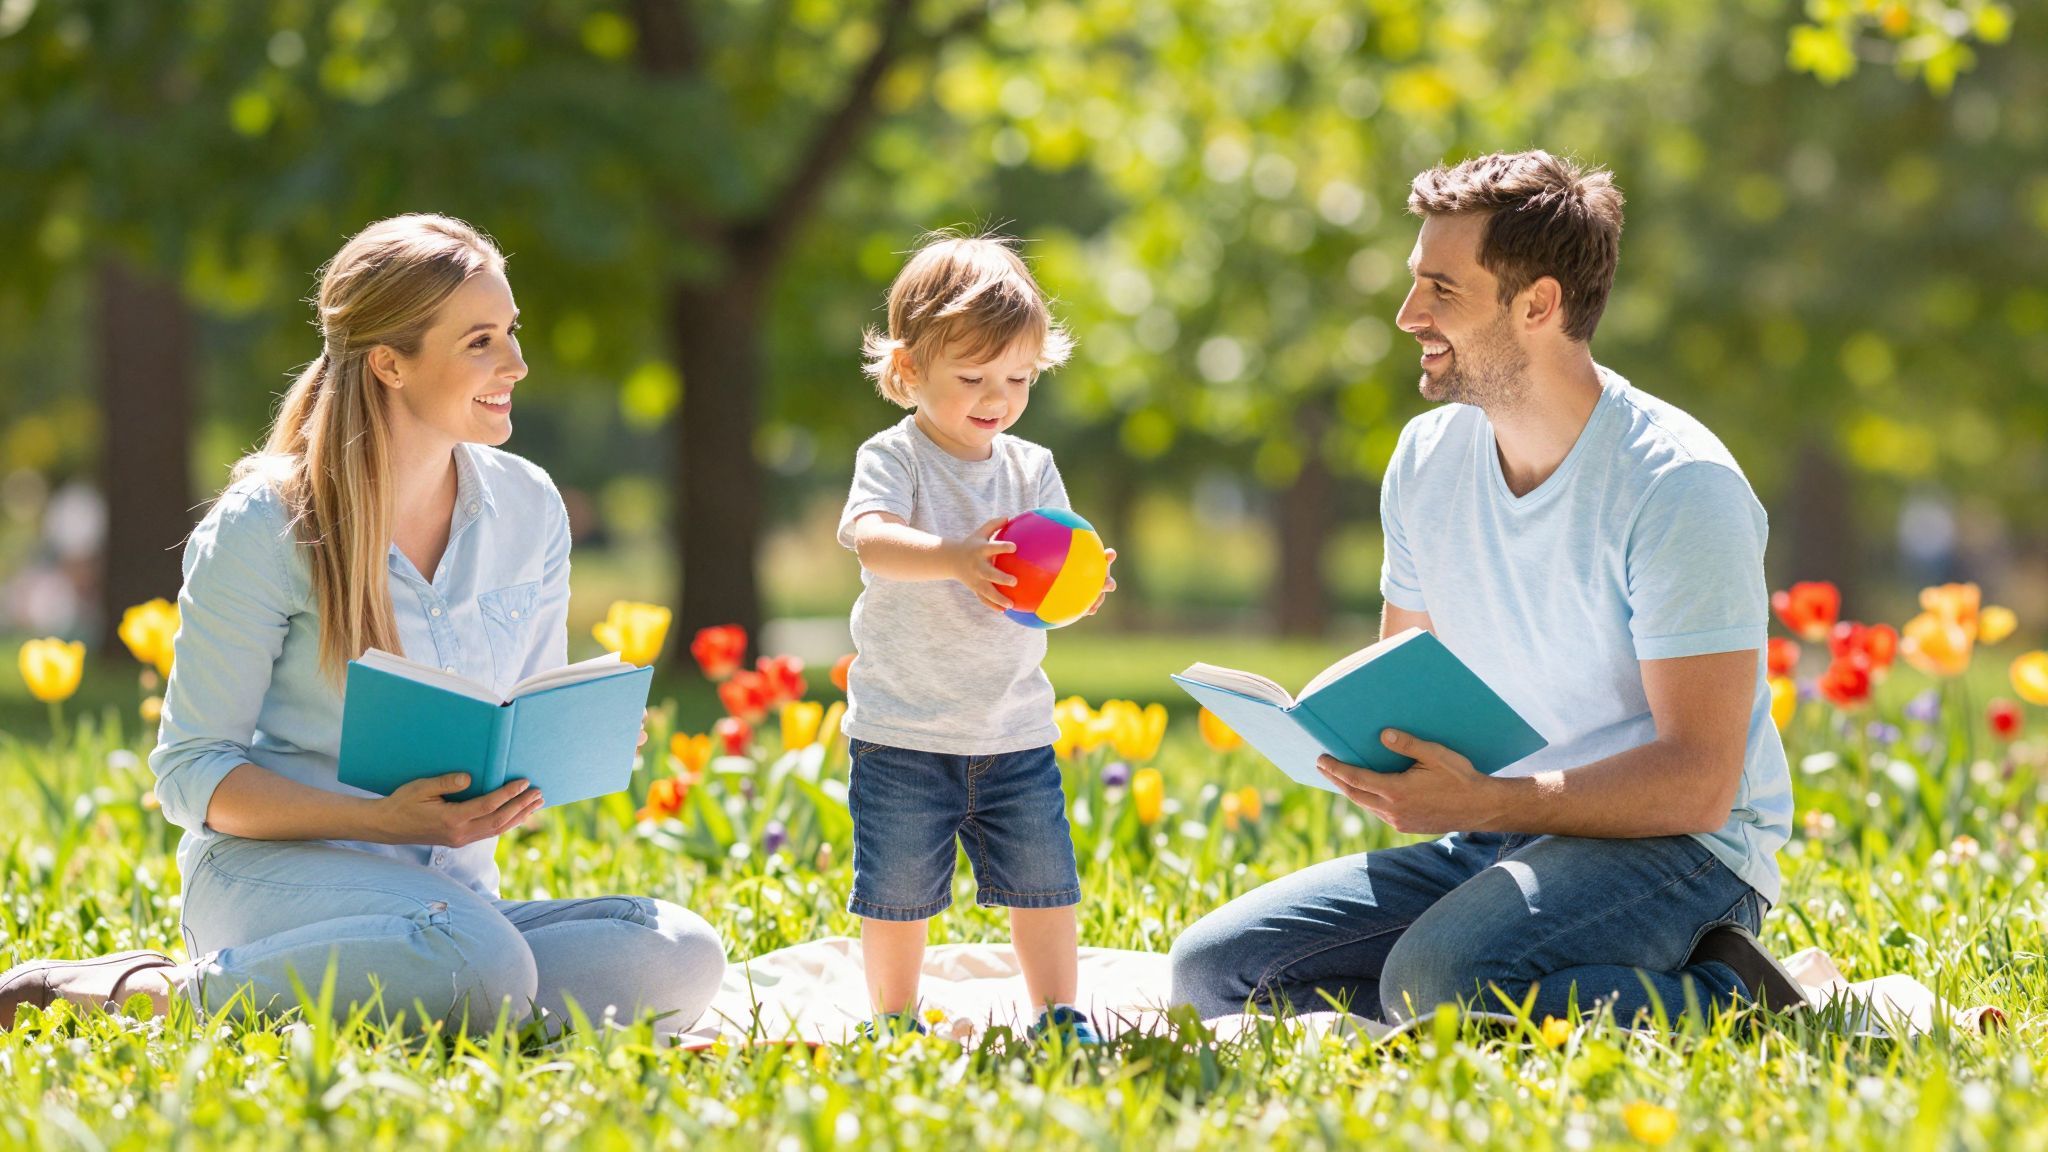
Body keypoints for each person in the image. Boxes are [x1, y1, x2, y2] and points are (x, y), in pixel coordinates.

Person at [1, 215, 725, 1035]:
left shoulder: (529, 506)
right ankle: (149, 993)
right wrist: (382, 821)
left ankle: (450, 999)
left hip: (450, 900)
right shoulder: (264, 525)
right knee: (478, 965)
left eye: (511, 333)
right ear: (389, 363)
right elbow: (192, 775)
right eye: (480, 342)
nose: (516, 365)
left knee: (679, 951)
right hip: (276, 883)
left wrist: (565, 750)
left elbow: (515, 721)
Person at [1170, 152, 1803, 1026]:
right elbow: (1406, 678)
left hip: (1682, 851)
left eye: (1441, 288)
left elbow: (1698, 780)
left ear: (1538, 304)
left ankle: (1737, 993)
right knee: (1212, 971)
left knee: (1437, 984)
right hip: (1501, 833)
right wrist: (1359, 747)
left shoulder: (1678, 486)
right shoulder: (1427, 459)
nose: (1407, 316)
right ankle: (1471, 1002)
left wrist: (1490, 800)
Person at [838, 231, 1114, 1043]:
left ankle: (1058, 1012)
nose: (997, 395)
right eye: (972, 377)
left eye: (1019, 377)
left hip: (1012, 727)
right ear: (908, 371)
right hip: (902, 730)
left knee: (1045, 883)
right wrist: (954, 559)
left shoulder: (1030, 467)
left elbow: (1058, 561)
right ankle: (893, 1017)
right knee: (895, 891)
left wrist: (1080, 586)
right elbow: (869, 537)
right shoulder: (897, 459)